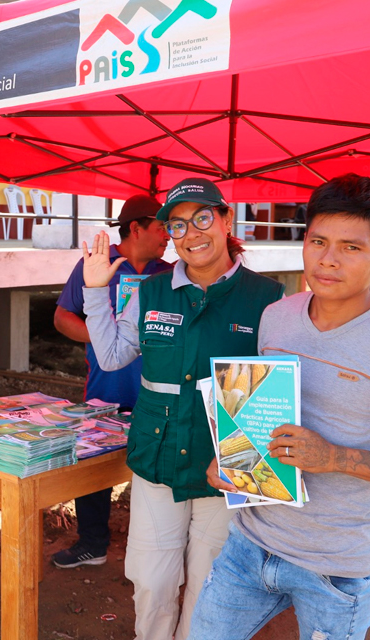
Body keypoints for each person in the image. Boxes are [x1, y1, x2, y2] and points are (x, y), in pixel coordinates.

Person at [192, 174, 370, 640]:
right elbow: (262, 414)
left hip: (335, 568)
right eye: (317, 241)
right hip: (249, 545)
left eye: (351, 247)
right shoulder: (276, 317)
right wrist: (235, 459)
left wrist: (333, 457)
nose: (328, 259)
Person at [81, 178, 285, 639]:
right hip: (157, 457)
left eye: (202, 218)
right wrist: (96, 292)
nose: (191, 234)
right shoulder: (151, 291)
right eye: (177, 225)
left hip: (225, 464)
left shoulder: (268, 298)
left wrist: (248, 462)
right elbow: (113, 357)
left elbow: (273, 394)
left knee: (210, 585)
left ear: (227, 219)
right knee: (151, 580)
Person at [52, 194, 172, 569]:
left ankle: (154, 548)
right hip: (104, 387)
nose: (168, 234)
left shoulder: (167, 273)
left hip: (155, 391)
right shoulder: (94, 266)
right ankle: (92, 542)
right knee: (94, 465)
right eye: (162, 226)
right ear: (136, 228)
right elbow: (61, 318)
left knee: (154, 467)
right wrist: (108, 339)